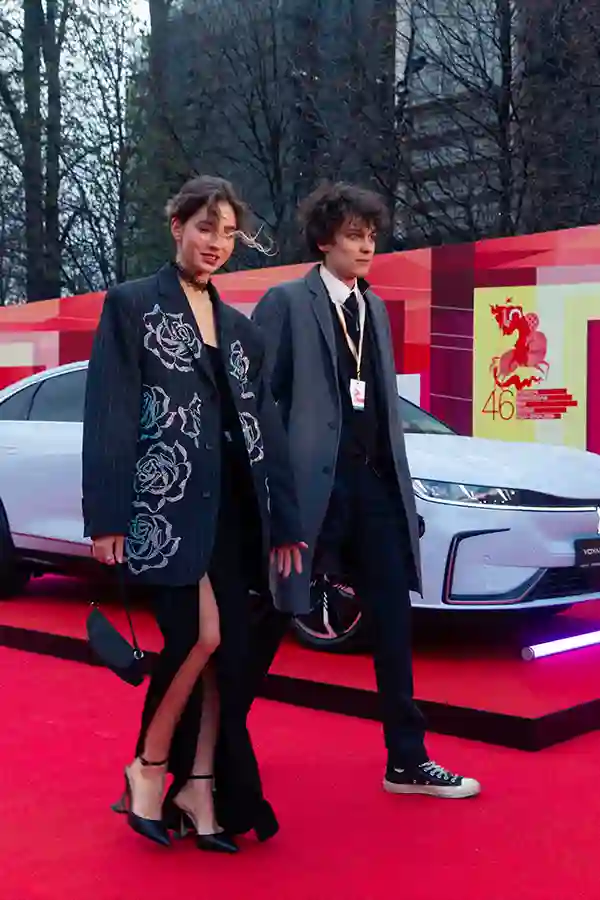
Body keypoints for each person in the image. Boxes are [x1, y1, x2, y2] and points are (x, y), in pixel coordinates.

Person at [82, 175, 305, 853]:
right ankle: (149, 766)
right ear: (176, 225)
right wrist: (107, 516)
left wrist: (287, 521)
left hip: (235, 514)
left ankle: (199, 783)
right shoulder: (132, 306)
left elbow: (267, 429)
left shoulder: (241, 331)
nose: (216, 243)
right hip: (167, 507)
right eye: (205, 228)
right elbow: (111, 413)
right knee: (198, 638)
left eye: (228, 233)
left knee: (226, 655)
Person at [252, 182, 481, 799]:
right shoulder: (285, 302)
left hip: (373, 488)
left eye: (372, 236)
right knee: (270, 612)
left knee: (393, 618)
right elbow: (258, 404)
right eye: (355, 235)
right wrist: (275, 493)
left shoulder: (373, 307)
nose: (367, 246)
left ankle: (406, 759)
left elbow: (377, 405)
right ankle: (213, 750)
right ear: (324, 240)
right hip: (310, 490)